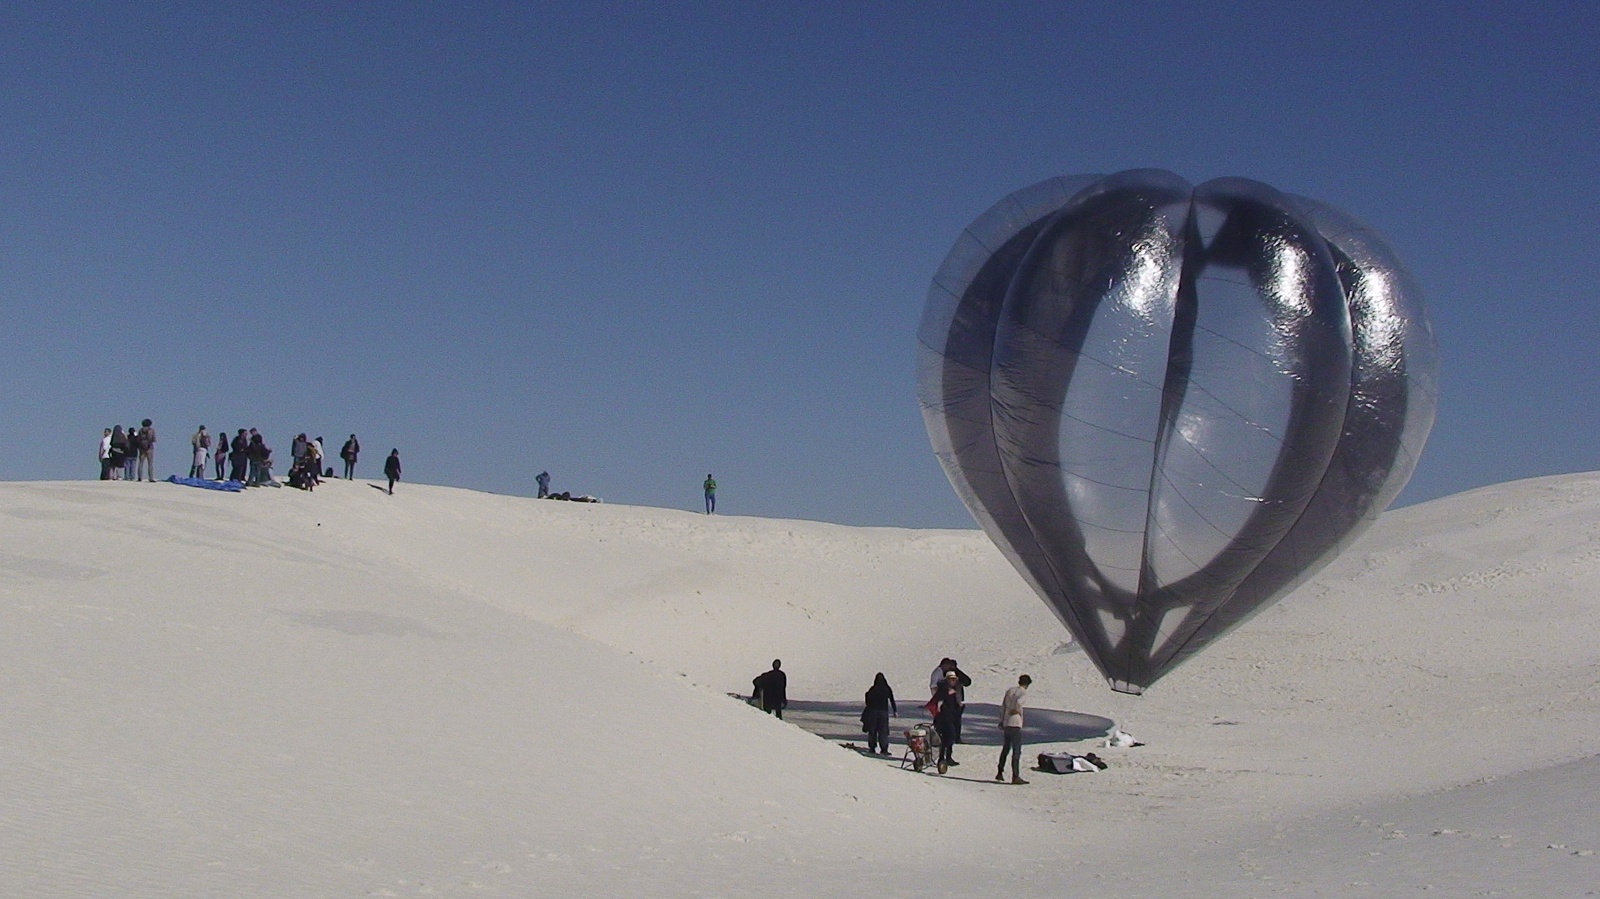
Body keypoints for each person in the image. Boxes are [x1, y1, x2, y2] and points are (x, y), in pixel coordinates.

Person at [996, 674, 1032, 785]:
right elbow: (1019, 702)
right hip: (1015, 722)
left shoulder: (1010, 691)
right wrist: (1017, 710)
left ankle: (1000, 771)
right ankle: (1015, 776)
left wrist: (1002, 720)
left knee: (1006, 748)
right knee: (1016, 750)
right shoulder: (1023, 692)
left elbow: (1003, 706)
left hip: (1007, 721)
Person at [928, 658, 972, 744]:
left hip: (953, 701)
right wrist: (939, 698)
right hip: (944, 701)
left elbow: (967, 681)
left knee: (954, 720)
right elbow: (933, 686)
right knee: (942, 720)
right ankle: (941, 738)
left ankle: (953, 737)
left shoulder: (950, 674)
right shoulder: (938, 673)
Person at [932, 670, 963, 772]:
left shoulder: (950, 690)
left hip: (949, 718)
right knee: (946, 739)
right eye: (952, 679)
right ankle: (944, 758)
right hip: (944, 719)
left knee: (948, 739)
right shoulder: (944, 690)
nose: (953, 681)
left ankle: (945, 758)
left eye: (954, 679)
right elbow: (939, 704)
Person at [862, 672, 897, 756]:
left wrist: (869, 705)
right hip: (883, 712)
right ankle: (884, 749)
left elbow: (867, 696)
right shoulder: (886, 688)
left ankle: (872, 747)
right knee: (883, 731)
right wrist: (894, 710)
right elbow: (892, 699)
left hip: (873, 712)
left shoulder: (873, 689)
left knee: (872, 730)